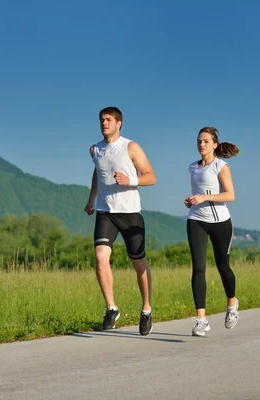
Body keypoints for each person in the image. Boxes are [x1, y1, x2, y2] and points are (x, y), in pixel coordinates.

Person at [84, 106, 156, 336]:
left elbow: (151, 177)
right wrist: (91, 199)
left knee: (138, 263)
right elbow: (98, 172)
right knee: (100, 256)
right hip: (106, 213)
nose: (104, 123)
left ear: (119, 123)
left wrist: (129, 179)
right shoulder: (95, 150)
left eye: (108, 120)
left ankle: (146, 309)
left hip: (130, 213)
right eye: (101, 120)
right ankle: (111, 308)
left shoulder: (130, 147)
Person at [184, 126, 240, 336]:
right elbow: (198, 193)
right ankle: (201, 320)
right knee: (198, 268)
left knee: (222, 266)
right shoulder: (192, 167)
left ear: (215, 145)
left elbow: (230, 195)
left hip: (220, 222)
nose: (201, 144)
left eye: (206, 141)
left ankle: (232, 304)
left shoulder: (220, 166)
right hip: (196, 220)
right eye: (199, 141)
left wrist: (205, 197)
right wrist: (191, 200)